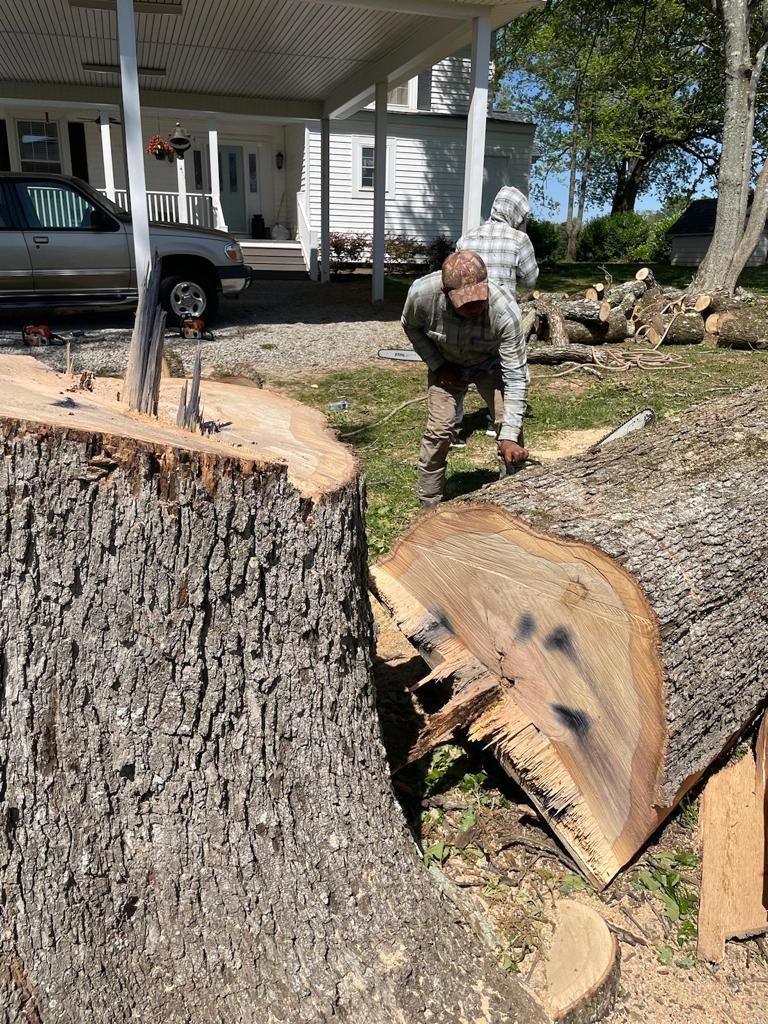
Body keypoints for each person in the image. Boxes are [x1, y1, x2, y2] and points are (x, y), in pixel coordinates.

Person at [401, 251, 529, 509]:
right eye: (465, 303)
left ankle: (513, 499)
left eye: (478, 301)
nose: (474, 309)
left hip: (490, 364)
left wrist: (510, 434)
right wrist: (438, 365)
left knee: (508, 426)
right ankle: (429, 507)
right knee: (439, 431)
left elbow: (516, 375)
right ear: (446, 293)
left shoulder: (505, 311)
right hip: (446, 362)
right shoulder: (422, 295)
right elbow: (410, 326)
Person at [456, 186, 539, 301]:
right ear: (515, 213)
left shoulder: (466, 237)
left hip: (468, 309)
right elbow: (530, 281)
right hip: (503, 312)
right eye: (521, 216)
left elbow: (456, 276)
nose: (522, 221)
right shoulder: (520, 239)